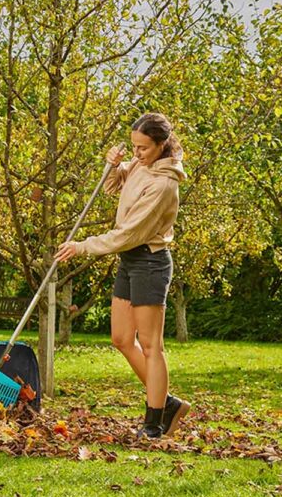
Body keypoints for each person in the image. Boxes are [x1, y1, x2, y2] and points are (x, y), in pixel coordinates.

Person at [54, 113, 190, 439]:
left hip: (150, 262)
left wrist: (83, 246)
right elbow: (114, 186)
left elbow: (130, 234)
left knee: (150, 345)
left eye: (143, 148)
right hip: (130, 261)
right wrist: (115, 165)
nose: (137, 153)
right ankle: (168, 402)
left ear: (161, 145)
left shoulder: (164, 184)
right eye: (133, 147)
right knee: (120, 338)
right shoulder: (142, 165)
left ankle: (154, 421)